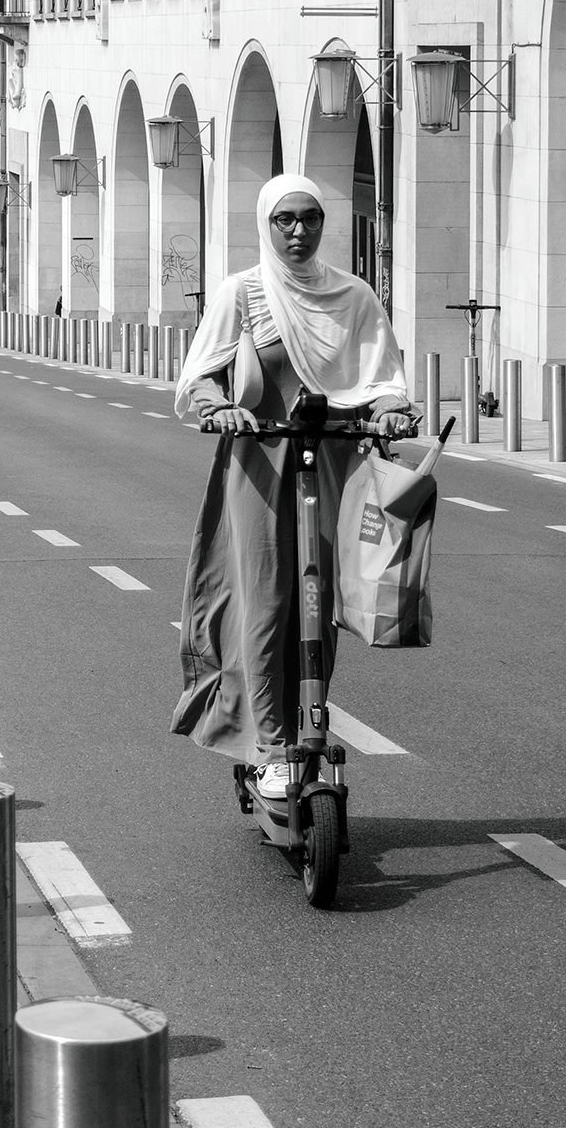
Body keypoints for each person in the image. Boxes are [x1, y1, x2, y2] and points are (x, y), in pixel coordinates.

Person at [170, 175, 415, 802]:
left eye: (310, 217)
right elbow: (201, 377)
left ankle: (310, 723)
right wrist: (218, 407)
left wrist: (390, 410)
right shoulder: (244, 293)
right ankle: (271, 747)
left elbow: (383, 377)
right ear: (267, 225)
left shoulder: (354, 296)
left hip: (334, 459)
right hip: (260, 461)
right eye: (286, 220)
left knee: (321, 605)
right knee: (268, 602)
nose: (299, 231)